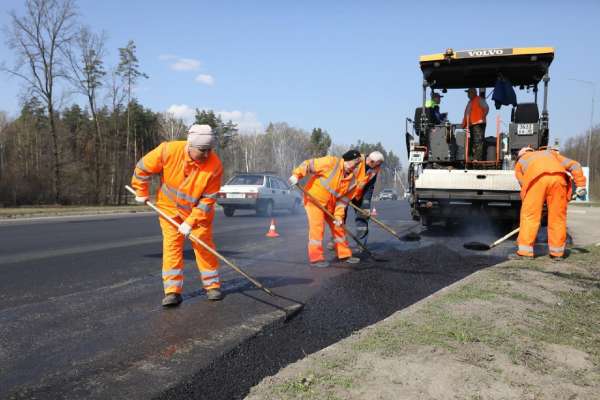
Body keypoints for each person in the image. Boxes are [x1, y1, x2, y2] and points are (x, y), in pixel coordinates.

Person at [131, 124, 224, 307]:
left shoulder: (214, 165)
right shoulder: (168, 151)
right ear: (190, 145)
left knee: (204, 246)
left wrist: (190, 222)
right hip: (169, 209)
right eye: (203, 150)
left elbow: (208, 200)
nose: (207, 155)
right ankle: (172, 292)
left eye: (210, 150)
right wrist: (141, 191)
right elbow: (142, 168)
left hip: (197, 213)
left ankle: (212, 286)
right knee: (172, 247)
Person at [288, 150, 362, 268]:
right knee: (318, 226)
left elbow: (342, 202)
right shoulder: (331, 162)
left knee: (339, 227)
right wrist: (297, 174)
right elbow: (308, 164)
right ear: (347, 160)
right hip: (314, 200)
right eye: (354, 164)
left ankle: (344, 254)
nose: (355, 167)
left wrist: (338, 216)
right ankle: (316, 257)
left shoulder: (353, 182)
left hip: (331, 205)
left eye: (357, 165)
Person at [512, 147, 587, 261]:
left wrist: (534, 202)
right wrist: (581, 184)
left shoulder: (520, 162)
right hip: (558, 180)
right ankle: (557, 253)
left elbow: (524, 184)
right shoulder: (551, 154)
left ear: (520, 155)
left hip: (535, 182)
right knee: (557, 218)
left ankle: (525, 252)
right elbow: (575, 165)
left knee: (530, 216)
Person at [327, 151, 384, 250]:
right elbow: (342, 174)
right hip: (344, 192)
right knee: (339, 217)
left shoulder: (375, 169)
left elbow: (369, 188)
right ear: (371, 161)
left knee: (363, 216)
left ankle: (360, 244)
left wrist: (366, 206)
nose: (378, 167)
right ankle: (335, 240)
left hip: (359, 194)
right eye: (377, 164)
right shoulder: (356, 160)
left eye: (379, 165)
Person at [462, 88, 489, 161]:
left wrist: (482, 116)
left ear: (474, 93)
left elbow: (486, 107)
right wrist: (464, 124)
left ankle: (477, 159)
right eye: (468, 93)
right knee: (473, 141)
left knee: (478, 141)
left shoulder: (478, 99)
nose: (468, 94)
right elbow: (466, 114)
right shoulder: (470, 102)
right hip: (472, 124)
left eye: (469, 92)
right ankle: (473, 157)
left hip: (478, 124)